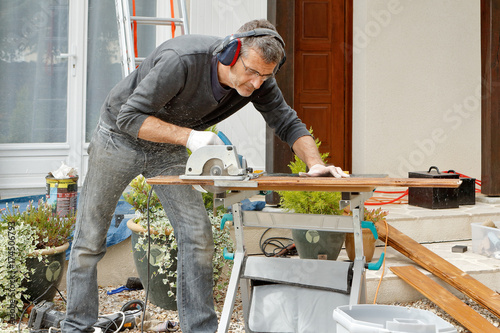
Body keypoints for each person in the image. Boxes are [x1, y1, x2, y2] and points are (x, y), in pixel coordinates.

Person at [61, 19, 348, 333]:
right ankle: (77, 325)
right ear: (229, 53)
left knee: (197, 234)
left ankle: (200, 328)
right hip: (119, 138)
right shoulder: (182, 61)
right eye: (251, 71)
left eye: (265, 75)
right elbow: (129, 116)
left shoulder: (259, 80)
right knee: (90, 238)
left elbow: (288, 122)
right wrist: (190, 138)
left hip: (167, 148)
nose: (255, 83)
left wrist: (315, 164)